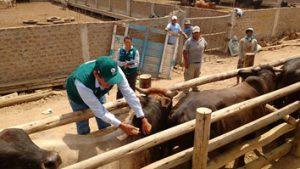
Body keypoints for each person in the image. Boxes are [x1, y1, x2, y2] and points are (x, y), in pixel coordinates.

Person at [66, 56, 152, 136]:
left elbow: (129, 94)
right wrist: (122, 126)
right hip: (77, 97)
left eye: (113, 80)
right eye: (108, 80)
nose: (111, 83)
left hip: (98, 92)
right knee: (82, 122)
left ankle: (105, 139)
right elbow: (99, 111)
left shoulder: (115, 71)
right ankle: (85, 145)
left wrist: (142, 118)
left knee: (105, 124)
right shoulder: (82, 83)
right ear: (96, 74)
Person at [182, 26, 207, 93]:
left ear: (200, 33)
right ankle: (186, 91)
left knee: (196, 77)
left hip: (199, 62)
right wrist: (186, 62)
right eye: (194, 33)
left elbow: (205, 46)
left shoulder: (203, 40)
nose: (195, 34)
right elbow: (184, 52)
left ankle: (195, 89)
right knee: (188, 77)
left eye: (197, 32)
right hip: (190, 63)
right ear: (192, 33)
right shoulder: (188, 41)